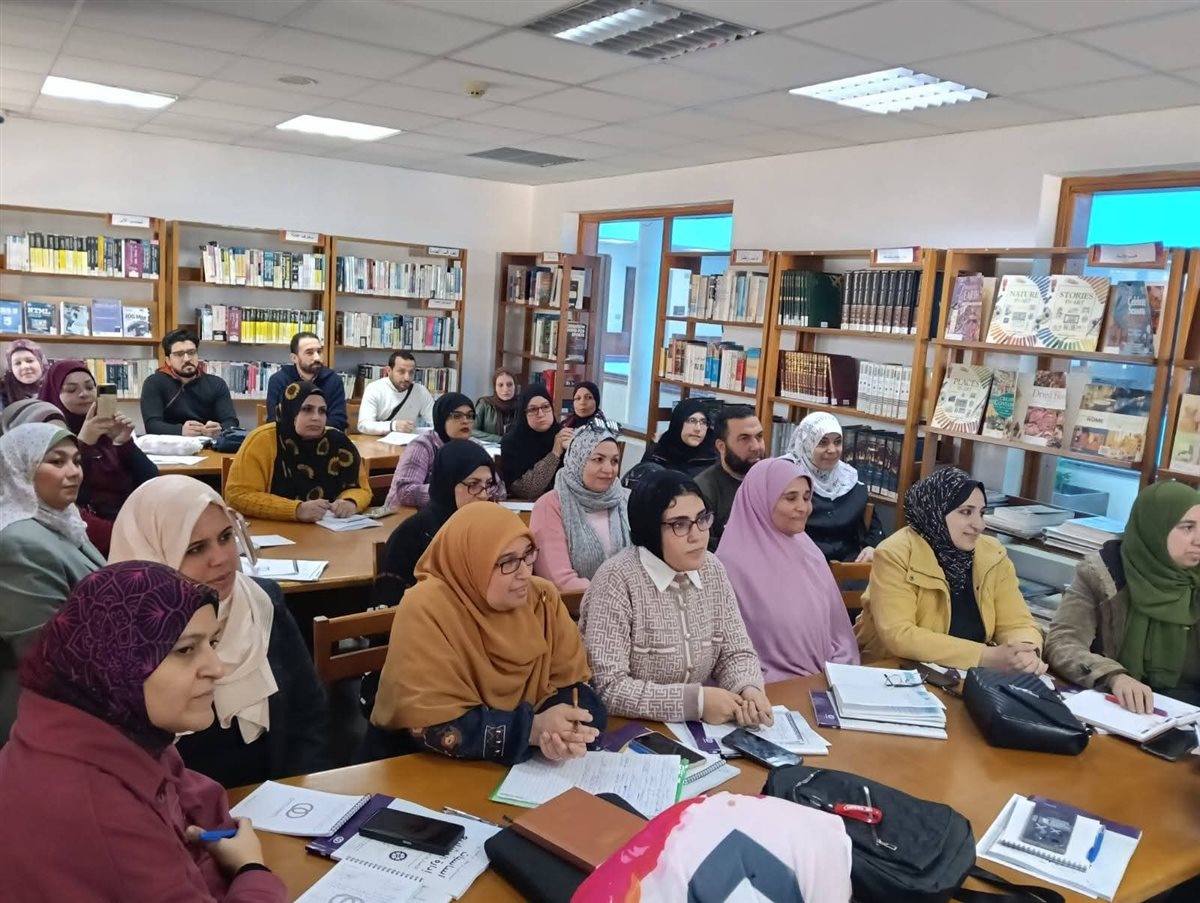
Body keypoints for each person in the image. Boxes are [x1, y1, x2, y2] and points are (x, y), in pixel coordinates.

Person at [0, 562, 287, 903]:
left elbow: (193, 797)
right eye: (186, 649)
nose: (216, 667)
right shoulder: (102, 809)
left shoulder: (104, 731)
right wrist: (251, 870)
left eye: (212, 642)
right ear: (116, 662)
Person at [110, 476, 330, 786]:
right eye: (196, 549)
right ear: (152, 554)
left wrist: (298, 795)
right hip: (172, 808)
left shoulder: (260, 602)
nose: (222, 558)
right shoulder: (122, 636)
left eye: (226, 537)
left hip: (276, 799)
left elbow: (307, 715)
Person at [364, 504, 605, 765]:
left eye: (527, 555)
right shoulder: (427, 609)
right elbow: (429, 727)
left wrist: (564, 730)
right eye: (508, 562)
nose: (525, 573)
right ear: (472, 563)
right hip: (422, 767)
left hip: (524, 770)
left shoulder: (542, 599)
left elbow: (574, 687)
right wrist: (530, 730)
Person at [579, 468, 771, 725]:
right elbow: (608, 687)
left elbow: (735, 652)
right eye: (680, 524)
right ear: (649, 528)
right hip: (628, 729)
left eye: (702, 518)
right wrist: (696, 703)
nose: (697, 535)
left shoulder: (711, 569)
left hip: (695, 730)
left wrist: (749, 689)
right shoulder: (617, 579)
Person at [854, 467, 1045, 671]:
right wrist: (985, 656)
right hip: (896, 670)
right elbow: (900, 635)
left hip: (966, 674)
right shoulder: (894, 553)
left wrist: (1025, 652)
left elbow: (1017, 622)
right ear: (935, 511)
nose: (979, 525)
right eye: (966, 512)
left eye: (981, 513)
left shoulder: (992, 553)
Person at [1045, 480, 1200, 711]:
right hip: (1118, 704)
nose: (1198, 540)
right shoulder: (1103, 574)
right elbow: (1062, 643)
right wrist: (1114, 676)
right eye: (1187, 528)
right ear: (1155, 527)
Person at [0, 423, 105, 743]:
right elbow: (44, 651)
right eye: (57, 461)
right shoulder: (17, 542)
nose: (74, 472)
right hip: (50, 715)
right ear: (20, 468)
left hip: (89, 688)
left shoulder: (63, 521)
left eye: (77, 461)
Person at [716, 458, 860, 681]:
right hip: (764, 688)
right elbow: (725, 654)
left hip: (828, 679)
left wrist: (837, 675)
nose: (803, 508)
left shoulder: (809, 551)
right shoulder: (728, 566)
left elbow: (838, 633)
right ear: (761, 499)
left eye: (807, 497)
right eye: (790, 498)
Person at [39, 359, 158, 555]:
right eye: (71, 390)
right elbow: (69, 494)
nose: (84, 394)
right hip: (87, 534)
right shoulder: (49, 433)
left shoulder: (108, 432)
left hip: (131, 519)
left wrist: (123, 443)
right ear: (54, 394)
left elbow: (151, 480)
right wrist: (83, 443)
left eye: (90, 387)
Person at [226, 381, 370, 522]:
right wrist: (296, 510)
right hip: (273, 528)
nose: (316, 417)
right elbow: (237, 495)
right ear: (289, 411)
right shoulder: (262, 440)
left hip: (329, 531)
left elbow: (361, 489)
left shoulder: (339, 442)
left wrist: (350, 501)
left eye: (322, 411)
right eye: (307, 409)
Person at [378, 440, 499, 601]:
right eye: (473, 484)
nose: (484, 494)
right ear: (448, 483)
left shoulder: (492, 529)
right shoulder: (411, 536)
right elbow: (389, 603)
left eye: (489, 484)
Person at [531, 426, 631, 593]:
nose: (609, 470)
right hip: (577, 606)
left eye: (614, 461)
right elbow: (560, 581)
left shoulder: (627, 499)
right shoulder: (550, 505)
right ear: (578, 460)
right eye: (598, 459)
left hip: (632, 601)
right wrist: (615, 598)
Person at [783, 412, 884, 563]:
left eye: (837, 442)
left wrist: (871, 547)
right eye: (822, 443)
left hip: (848, 567)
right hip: (799, 564)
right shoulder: (786, 477)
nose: (832, 450)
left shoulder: (850, 480)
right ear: (807, 444)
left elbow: (875, 529)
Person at [385, 391, 504, 509]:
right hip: (407, 513)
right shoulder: (422, 446)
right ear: (441, 418)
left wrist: (477, 489)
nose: (465, 421)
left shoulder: (475, 447)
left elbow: (499, 488)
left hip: (459, 512)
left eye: (469, 416)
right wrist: (456, 492)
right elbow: (405, 492)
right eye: (457, 416)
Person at [140, 328, 239, 438]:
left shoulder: (216, 383)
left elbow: (231, 422)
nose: (187, 359)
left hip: (208, 443)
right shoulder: (154, 383)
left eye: (191, 353)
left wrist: (220, 429)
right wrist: (181, 430)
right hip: (171, 444)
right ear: (168, 360)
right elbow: (152, 425)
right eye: (179, 354)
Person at [695, 404, 765, 551]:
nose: (756, 447)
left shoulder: (773, 482)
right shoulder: (703, 492)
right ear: (721, 446)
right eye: (744, 438)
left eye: (759, 437)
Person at [265, 331, 347, 431]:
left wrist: (314, 433)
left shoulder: (334, 380)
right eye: (309, 353)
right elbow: (274, 419)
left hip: (324, 437)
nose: (317, 357)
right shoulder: (279, 380)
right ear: (294, 358)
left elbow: (338, 420)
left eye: (319, 352)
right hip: (289, 438)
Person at [502, 384, 571, 500]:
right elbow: (525, 491)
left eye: (545, 407)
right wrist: (555, 453)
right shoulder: (512, 443)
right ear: (523, 413)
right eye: (533, 409)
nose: (541, 414)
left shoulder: (564, 436)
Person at [357, 350, 434, 435]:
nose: (407, 378)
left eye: (411, 372)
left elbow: (436, 422)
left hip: (408, 441)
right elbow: (363, 425)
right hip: (378, 440)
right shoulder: (374, 389)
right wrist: (393, 426)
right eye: (401, 371)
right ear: (389, 371)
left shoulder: (421, 391)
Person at [640, 398, 719, 478]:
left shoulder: (713, 458)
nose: (698, 428)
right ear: (678, 423)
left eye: (703, 422)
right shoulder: (657, 454)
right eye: (692, 421)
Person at [472, 368, 518, 442]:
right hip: (490, 448)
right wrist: (499, 439)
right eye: (500, 385)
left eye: (509, 385)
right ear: (495, 387)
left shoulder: (523, 405)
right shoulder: (485, 404)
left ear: (515, 386)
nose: (505, 389)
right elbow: (472, 430)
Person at [1, 339, 47, 407]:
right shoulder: (4, 392)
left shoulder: (55, 386)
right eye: (17, 363)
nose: (25, 366)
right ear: (11, 369)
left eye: (30, 361)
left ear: (41, 363)